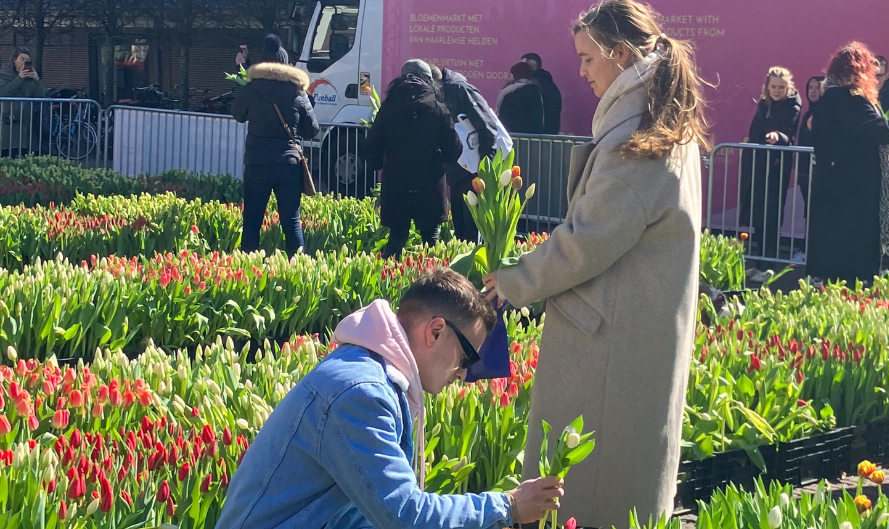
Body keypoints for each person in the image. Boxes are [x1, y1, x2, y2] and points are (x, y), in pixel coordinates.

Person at [482, 0, 709, 525]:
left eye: (588, 58)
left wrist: (514, 279)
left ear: (621, 54)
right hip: (629, 326)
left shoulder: (638, 140)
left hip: (612, 339)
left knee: (592, 490)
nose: (581, 71)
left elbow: (587, 241)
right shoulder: (657, 120)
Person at [217, 268, 565, 529]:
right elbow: (405, 516)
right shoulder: (360, 394)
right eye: (467, 358)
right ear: (436, 331)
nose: (462, 374)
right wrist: (508, 506)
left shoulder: (374, 372)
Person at [806, 42, 889, 285]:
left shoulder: (827, 98)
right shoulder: (852, 99)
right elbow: (884, 131)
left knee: (832, 267)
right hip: (854, 194)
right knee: (856, 269)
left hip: (831, 188)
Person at [364, 59, 462, 259]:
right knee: (430, 239)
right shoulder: (438, 109)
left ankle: (389, 285)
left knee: (397, 237)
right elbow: (454, 149)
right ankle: (433, 285)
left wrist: (377, 162)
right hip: (430, 180)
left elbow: (371, 145)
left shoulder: (389, 107)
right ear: (428, 80)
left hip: (396, 179)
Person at [231, 34, 319, 257]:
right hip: (289, 164)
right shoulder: (297, 91)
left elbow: (238, 115)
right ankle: (297, 268)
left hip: (257, 162)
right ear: (286, 64)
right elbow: (312, 129)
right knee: (292, 221)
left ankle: (248, 268)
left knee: (252, 219)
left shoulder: (251, 89)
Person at [738, 66, 801, 265]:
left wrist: (778, 137)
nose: (777, 91)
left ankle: (768, 263)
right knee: (757, 214)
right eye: (773, 86)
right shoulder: (764, 104)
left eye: (781, 87)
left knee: (771, 214)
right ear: (767, 86)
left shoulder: (792, 106)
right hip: (757, 164)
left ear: (788, 87)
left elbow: (789, 134)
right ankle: (759, 262)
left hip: (775, 166)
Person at [430, 63, 500, 242]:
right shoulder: (446, 91)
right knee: (461, 228)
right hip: (458, 170)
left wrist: (483, 167)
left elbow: (488, 127)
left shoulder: (460, 90)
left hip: (472, 170)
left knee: (472, 228)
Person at [794, 75, 825, 261]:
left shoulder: (824, 113)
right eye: (810, 87)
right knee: (810, 211)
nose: (812, 91)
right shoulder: (808, 113)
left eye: (817, 87)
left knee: (816, 213)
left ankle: (811, 252)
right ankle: (806, 249)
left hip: (818, 172)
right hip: (805, 171)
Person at [0, 47, 47, 158]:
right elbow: (3, 91)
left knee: (28, 152)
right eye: (22, 59)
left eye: (27, 60)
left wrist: (37, 80)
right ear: (14, 60)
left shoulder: (30, 78)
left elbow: (42, 95)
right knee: (8, 152)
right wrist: (19, 78)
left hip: (28, 120)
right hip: (10, 119)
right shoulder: (4, 75)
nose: (25, 62)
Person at [496, 62, 544, 134]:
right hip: (532, 136)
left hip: (511, 134)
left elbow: (498, 111)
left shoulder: (508, 90)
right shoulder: (536, 91)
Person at [522, 53, 562, 134]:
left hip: (534, 136)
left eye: (523, 65)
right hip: (551, 135)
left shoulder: (532, 87)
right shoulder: (552, 86)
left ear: (533, 65)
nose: (520, 69)